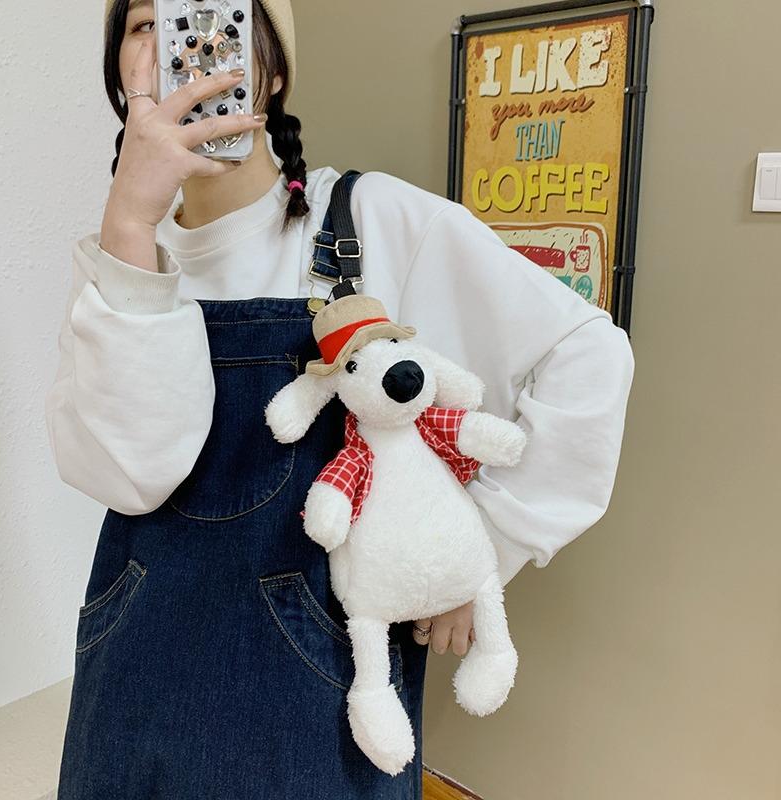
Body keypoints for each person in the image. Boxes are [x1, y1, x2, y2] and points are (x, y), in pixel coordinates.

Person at [44, 1, 635, 797]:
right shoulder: (119, 259)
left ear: (271, 69)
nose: (180, 42)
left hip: (325, 676)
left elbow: (588, 353)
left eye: (210, 12)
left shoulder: (371, 219)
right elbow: (131, 475)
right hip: (139, 665)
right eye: (146, 22)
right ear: (121, 74)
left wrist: (487, 540)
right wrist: (128, 227)